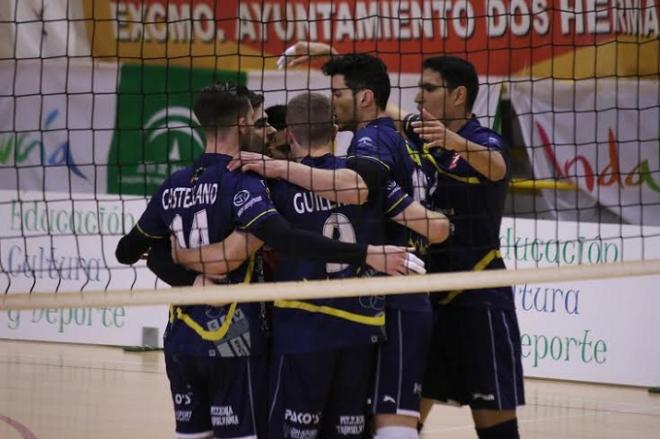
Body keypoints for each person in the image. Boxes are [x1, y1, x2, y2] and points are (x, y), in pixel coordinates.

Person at [114, 82, 424, 439]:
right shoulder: (250, 184)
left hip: (184, 339)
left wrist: (184, 270)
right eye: (261, 122)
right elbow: (277, 240)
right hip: (240, 339)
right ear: (243, 123)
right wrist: (368, 253)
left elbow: (130, 251)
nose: (269, 131)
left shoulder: (173, 185)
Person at [280, 47, 440, 439]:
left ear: (364, 97)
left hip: (398, 290)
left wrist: (276, 167)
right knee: (377, 420)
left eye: (337, 94)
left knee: (393, 422)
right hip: (399, 291)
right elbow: (433, 225)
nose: (332, 104)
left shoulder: (371, 140)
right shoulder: (403, 134)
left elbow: (359, 188)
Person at [404, 56, 524, 439]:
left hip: (479, 300)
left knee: (494, 426)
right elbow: (384, 107)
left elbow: (498, 168)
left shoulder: (485, 140)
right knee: (402, 421)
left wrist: (453, 140)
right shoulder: (422, 138)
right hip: (429, 300)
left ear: (458, 95)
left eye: (428, 88)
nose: (418, 96)